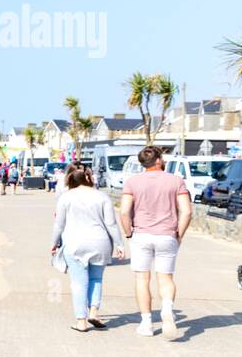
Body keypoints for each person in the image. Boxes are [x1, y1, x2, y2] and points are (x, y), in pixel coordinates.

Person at [119, 145, 191, 338]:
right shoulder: (176, 181)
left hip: (141, 235)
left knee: (142, 279)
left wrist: (128, 233)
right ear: (158, 160)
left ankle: (147, 323)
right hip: (167, 235)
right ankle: (167, 308)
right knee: (165, 277)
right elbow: (187, 211)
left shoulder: (132, 182)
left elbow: (124, 211)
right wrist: (179, 234)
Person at [51, 164, 125, 332]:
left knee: (78, 282)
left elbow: (59, 224)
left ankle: (81, 321)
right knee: (96, 279)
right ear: (89, 178)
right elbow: (111, 224)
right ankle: (93, 312)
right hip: (101, 242)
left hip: (75, 243)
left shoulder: (66, 197)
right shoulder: (102, 197)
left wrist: (54, 242)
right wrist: (120, 244)